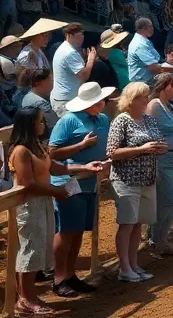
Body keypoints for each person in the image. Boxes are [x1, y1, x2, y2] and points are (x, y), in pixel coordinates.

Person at [9, 107, 104, 315]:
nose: (44, 125)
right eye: (40, 121)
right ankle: (25, 299)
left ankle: (29, 295)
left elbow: (56, 168)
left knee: (39, 248)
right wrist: (57, 191)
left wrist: (84, 167)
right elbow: (28, 183)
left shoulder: (37, 147)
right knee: (30, 250)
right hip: (30, 205)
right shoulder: (21, 151)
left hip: (43, 201)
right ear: (30, 124)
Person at [48, 81, 113, 298]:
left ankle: (69, 274)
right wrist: (80, 146)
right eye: (99, 100)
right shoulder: (68, 121)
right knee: (67, 230)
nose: (103, 103)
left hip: (90, 182)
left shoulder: (103, 119)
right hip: (69, 182)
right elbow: (52, 152)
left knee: (77, 231)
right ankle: (58, 278)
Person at [106, 81, 167, 282]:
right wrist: (142, 149)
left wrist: (160, 148)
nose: (147, 100)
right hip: (126, 179)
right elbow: (112, 153)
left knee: (137, 223)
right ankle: (124, 267)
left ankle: (133, 263)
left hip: (147, 177)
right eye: (143, 97)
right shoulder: (121, 121)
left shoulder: (149, 120)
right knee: (127, 224)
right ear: (131, 100)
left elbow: (158, 142)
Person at [146, 74, 173, 256]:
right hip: (162, 159)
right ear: (163, 87)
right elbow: (150, 133)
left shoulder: (169, 106)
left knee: (169, 200)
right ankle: (156, 239)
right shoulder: (154, 106)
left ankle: (159, 239)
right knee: (170, 200)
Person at [50, 21, 96, 119]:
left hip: (65, 98)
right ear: (70, 35)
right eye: (81, 34)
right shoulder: (69, 53)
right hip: (66, 101)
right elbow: (84, 75)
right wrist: (91, 59)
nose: (83, 37)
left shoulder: (66, 49)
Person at [127, 17, 173, 85]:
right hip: (142, 83)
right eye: (151, 26)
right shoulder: (139, 45)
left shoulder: (145, 41)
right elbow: (154, 68)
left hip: (147, 81)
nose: (153, 29)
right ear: (144, 28)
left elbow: (159, 60)